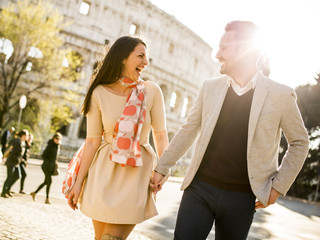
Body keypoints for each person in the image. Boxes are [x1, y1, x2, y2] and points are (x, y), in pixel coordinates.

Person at [150, 21, 309, 240]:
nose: (217, 54)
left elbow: (300, 142)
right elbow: (188, 130)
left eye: (224, 48)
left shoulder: (281, 94)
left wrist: (278, 187)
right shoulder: (210, 88)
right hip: (198, 190)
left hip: (242, 198)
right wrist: (162, 166)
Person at [66, 36, 169, 240]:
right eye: (140, 56)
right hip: (103, 173)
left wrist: (163, 168)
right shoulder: (99, 92)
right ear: (123, 57)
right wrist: (78, 183)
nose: (145, 62)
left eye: (146, 58)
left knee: (111, 238)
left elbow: (160, 133)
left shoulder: (152, 91)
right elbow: (92, 140)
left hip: (137, 172)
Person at [31, 132, 62, 204]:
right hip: (46, 166)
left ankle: (35, 193)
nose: (58, 140)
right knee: (49, 182)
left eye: (59, 139)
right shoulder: (50, 145)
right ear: (54, 138)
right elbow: (44, 155)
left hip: (51, 167)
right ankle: (47, 199)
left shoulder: (57, 146)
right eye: (57, 139)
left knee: (46, 182)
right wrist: (48, 163)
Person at [1, 129, 28, 198]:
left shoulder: (23, 142)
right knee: (9, 177)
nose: (27, 137)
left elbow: (20, 154)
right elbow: (13, 153)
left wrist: (22, 160)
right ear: (23, 135)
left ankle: (8, 189)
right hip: (11, 162)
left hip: (16, 162)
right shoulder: (17, 142)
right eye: (26, 135)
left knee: (17, 176)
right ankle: (4, 192)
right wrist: (19, 159)